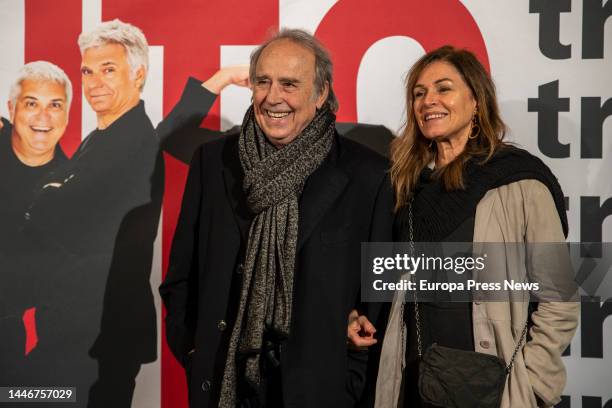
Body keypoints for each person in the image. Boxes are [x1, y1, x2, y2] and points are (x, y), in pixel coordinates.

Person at [159, 28, 394, 408]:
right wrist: (194, 352)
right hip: (225, 383)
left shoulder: (369, 176)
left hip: (317, 389)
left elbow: (378, 298)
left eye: (289, 84)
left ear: (320, 94)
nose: (273, 98)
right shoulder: (212, 162)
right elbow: (181, 277)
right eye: (263, 82)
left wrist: (351, 370)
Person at [348, 46, 579, 408]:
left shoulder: (520, 182)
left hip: (493, 389)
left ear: (476, 101)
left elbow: (559, 300)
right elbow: (389, 283)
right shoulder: (407, 186)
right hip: (413, 383)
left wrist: (531, 384)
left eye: (444, 88)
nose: (428, 101)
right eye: (419, 93)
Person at [13, 19, 162, 407]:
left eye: (108, 70)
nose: (94, 82)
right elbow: (45, 204)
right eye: (87, 71)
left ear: (138, 73)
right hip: (77, 331)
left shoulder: (132, 141)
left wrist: (49, 198)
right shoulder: (101, 139)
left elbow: (58, 217)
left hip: (98, 336)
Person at [0, 61, 71, 387]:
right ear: (12, 109)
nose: (44, 116)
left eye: (55, 105)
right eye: (32, 104)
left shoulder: (73, 184)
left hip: (19, 338)